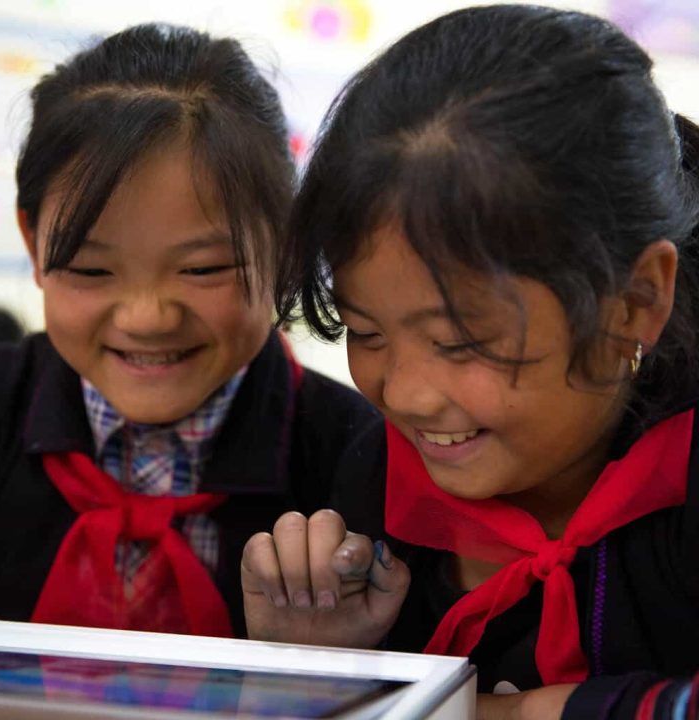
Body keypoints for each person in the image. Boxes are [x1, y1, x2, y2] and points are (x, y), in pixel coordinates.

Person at [241, 5, 699, 718]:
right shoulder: (377, 483)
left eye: (461, 343)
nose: (407, 395)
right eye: (365, 331)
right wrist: (316, 672)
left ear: (636, 299)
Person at [0, 23, 382, 638]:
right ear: (35, 244)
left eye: (203, 268)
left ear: (285, 245)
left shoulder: (361, 461)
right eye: (92, 268)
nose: (148, 317)